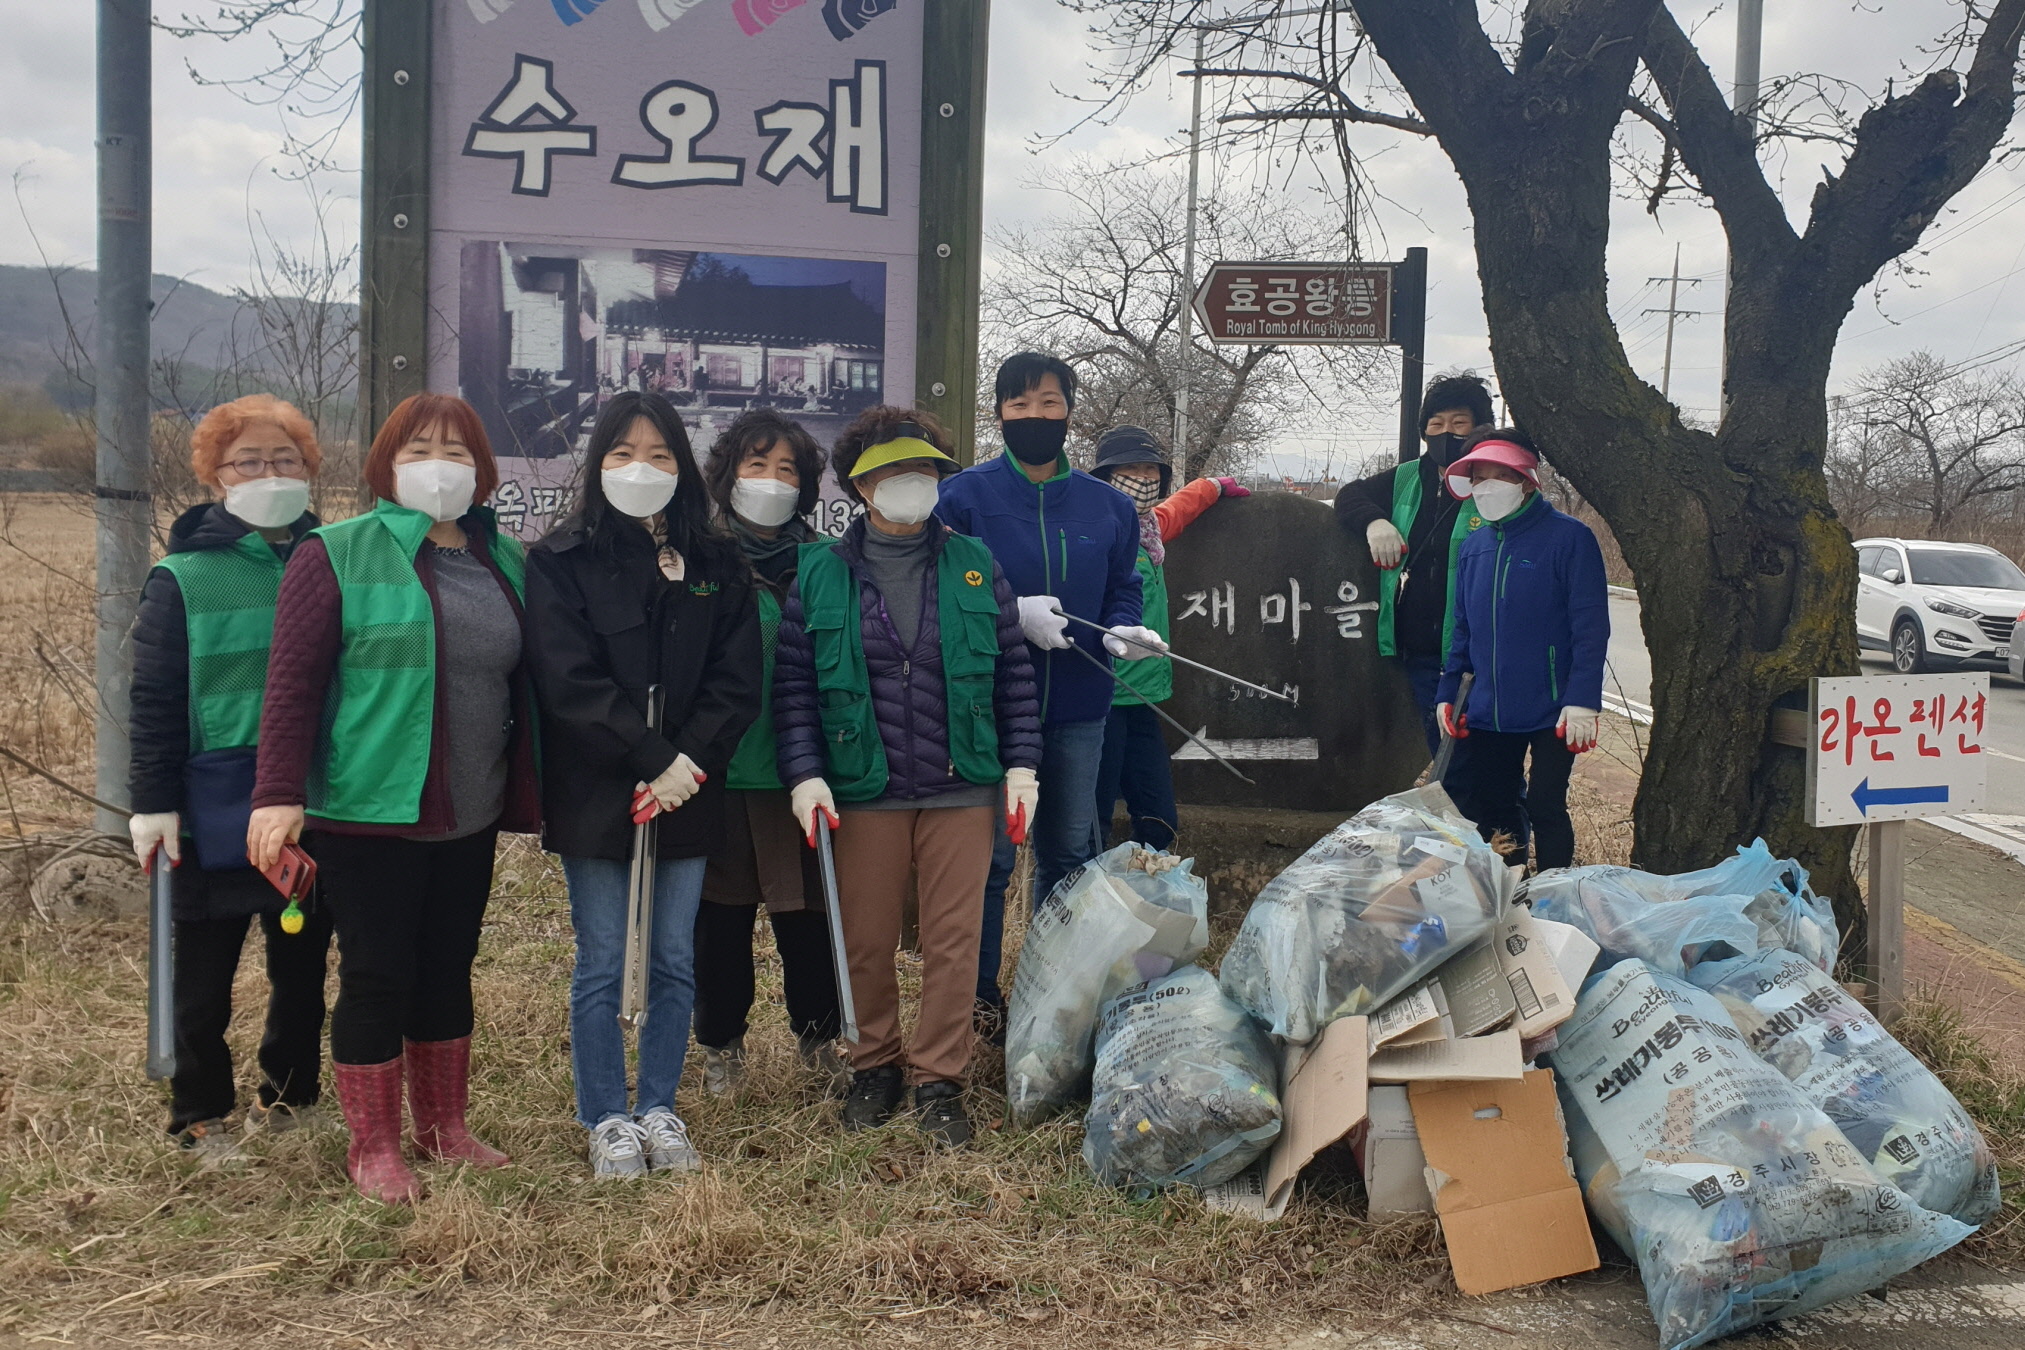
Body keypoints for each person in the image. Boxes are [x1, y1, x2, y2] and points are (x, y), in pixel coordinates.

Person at [249, 392, 540, 1205]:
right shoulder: (335, 552)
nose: (438, 464)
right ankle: (372, 1147)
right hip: (367, 808)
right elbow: (291, 684)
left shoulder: (504, 559)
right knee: (377, 975)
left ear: (482, 471)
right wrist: (276, 794)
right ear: (385, 463)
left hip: (469, 809)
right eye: (418, 449)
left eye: (455, 449)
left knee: (448, 968)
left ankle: (443, 1128)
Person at [774, 408, 1042, 1146]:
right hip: (863, 786)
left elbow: (1014, 677)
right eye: (894, 474)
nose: (912, 486)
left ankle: (938, 1078)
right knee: (863, 936)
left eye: (924, 472)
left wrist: (1022, 765)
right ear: (861, 486)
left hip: (962, 785)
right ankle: (875, 1063)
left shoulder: (974, 563)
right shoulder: (820, 571)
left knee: (954, 940)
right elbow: (794, 688)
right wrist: (805, 773)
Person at [525, 391, 762, 1179]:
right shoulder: (562, 560)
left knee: (671, 957)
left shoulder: (718, 562)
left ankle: (658, 1102)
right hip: (600, 790)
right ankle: (604, 1114)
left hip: (690, 790)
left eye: (660, 453)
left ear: (683, 467)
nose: (642, 467)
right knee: (600, 959)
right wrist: (646, 759)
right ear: (598, 463)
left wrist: (685, 766)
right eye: (624, 452)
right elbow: (568, 680)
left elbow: (736, 681)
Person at [127, 394, 336, 1165]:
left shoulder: (334, 559)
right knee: (204, 978)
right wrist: (152, 803)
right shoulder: (182, 577)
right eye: (248, 460)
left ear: (309, 468)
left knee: (303, 965)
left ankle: (289, 1095)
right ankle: (200, 1111)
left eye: (284, 459)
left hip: (312, 800)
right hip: (212, 801)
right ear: (216, 474)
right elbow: (152, 700)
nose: (268, 472)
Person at [932, 353, 1154, 1033]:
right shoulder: (963, 498)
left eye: (1049, 404)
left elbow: (1123, 582)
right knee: (991, 861)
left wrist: (1121, 626)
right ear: (998, 412)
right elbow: (935, 592)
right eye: (1020, 405)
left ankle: (1057, 996)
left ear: (1068, 411)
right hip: (990, 710)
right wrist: (1009, 612)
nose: (1035, 416)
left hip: (1080, 704)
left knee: (1068, 853)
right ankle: (978, 1002)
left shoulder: (1107, 505)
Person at [692, 408, 845, 1099]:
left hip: (803, 772)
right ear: (728, 476)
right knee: (718, 924)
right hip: (717, 773)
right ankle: (720, 1044)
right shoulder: (695, 560)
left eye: (788, 469)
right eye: (757, 465)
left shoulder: (827, 564)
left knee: (808, 918)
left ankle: (819, 1039)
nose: (771, 481)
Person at [1433, 431, 1608, 871]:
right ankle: (1509, 898)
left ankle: (1555, 900)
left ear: (1527, 481)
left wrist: (1583, 699)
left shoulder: (1570, 539)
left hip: (1554, 707)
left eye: (1500, 475)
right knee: (1495, 807)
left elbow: (1590, 627)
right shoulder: (1475, 548)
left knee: (1547, 806)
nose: (1488, 487)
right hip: (1490, 708)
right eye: (1479, 478)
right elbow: (1463, 632)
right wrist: (1448, 691)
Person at [1085, 425, 1250, 852]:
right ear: (1103, 477)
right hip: (1102, 695)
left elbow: (1177, 508)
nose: (1142, 479)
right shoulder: (1089, 531)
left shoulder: (1149, 528)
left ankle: (1152, 890)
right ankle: (1088, 903)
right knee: (1092, 817)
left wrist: (1211, 487)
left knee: (1159, 817)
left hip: (1144, 697)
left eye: (1150, 469)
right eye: (1129, 469)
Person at [1333, 374, 1496, 756]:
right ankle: (1468, 814)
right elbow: (1350, 495)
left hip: (1480, 649)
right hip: (1420, 648)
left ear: (1480, 427)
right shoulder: (1409, 477)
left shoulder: (1493, 479)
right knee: (1446, 752)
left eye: (1459, 423)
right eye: (1435, 425)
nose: (1445, 434)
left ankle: (1498, 816)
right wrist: (1375, 522)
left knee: (1486, 755)